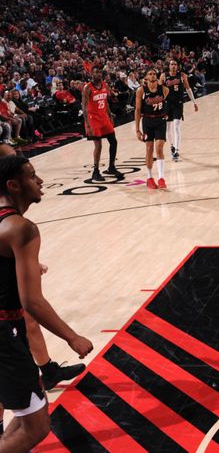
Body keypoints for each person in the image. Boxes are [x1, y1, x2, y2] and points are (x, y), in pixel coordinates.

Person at [0, 154, 93, 451]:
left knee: (10, 403)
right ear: (13, 185)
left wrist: (19, 268)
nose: (39, 180)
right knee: (36, 427)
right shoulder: (21, 228)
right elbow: (32, 302)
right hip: (4, 333)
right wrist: (72, 337)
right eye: (31, 175)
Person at [82, 66, 124, 181]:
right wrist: (87, 124)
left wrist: (110, 114)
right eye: (96, 72)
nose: (98, 74)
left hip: (103, 117)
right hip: (93, 119)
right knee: (98, 145)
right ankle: (95, 172)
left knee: (113, 141)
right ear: (91, 74)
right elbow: (84, 107)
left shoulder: (105, 85)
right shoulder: (87, 88)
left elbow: (105, 101)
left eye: (100, 72)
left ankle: (111, 167)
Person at [135, 68, 169, 189]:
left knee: (159, 147)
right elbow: (138, 110)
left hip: (160, 120)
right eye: (150, 74)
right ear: (146, 77)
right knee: (149, 149)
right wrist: (137, 130)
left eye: (154, 73)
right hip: (147, 121)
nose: (153, 75)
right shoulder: (140, 91)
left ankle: (161, 178)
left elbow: (165, 101)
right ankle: (149, 178)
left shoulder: (164, 89)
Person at [160, 60, 198, 162]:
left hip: (178, 104)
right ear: (169, 66)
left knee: (176, 126)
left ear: (177, 66)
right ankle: (172, 145)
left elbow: (188, 89)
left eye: (175, 64)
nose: (173, 66)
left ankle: (176, 150)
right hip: (167, 104)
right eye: (171, 64)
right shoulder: (164, 76)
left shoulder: (182, 75)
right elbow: (159, 90)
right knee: (169, 128)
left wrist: (194, 102)